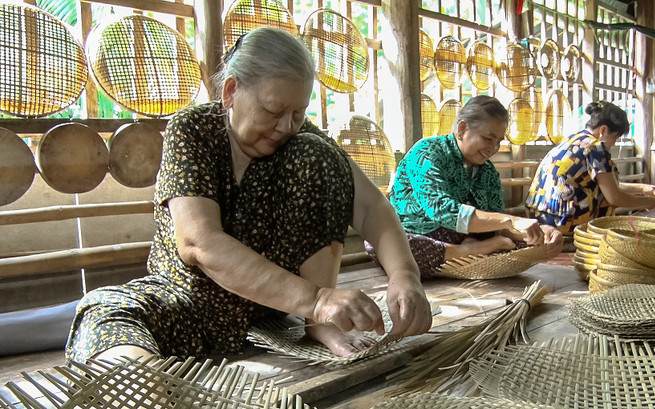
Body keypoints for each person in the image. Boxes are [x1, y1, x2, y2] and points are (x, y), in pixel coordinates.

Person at [65, 27, 432, 363]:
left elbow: (371, 207)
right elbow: (199, 242)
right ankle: (143, 384)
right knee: (103, 310)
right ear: (230, 92)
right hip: (190, 305)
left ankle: (317, 324)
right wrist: (317, 300)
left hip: (268, 309)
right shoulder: (192, 130)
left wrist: (404, 275)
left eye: (298, 113)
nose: (285, 126)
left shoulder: (299, 140)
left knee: (320, 152)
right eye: (273, 110)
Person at [367, 95, 563, 278]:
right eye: (488, 138)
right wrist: (509, 221)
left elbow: (497, 224)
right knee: (383, 245)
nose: (493, 148)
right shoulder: (427, 152)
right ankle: (469, 251)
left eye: (498, 142)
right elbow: (443, 210)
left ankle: (469, 249)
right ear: (461, 129)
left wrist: (541, 232)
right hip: (418, 234)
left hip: (466, 237)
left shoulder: (487, 173)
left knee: (527, 244)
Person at [526, 100, 655, 235]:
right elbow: (614, 197)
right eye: (615, 138)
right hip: (561, 221)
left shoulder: (573, 140)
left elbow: (606, 184)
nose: (614, 144)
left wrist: (644, 189)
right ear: (603, 130)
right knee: (605, 198)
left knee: (600, 189)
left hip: (537, 216)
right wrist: (648, 202)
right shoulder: (595, 147)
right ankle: (597, 238)